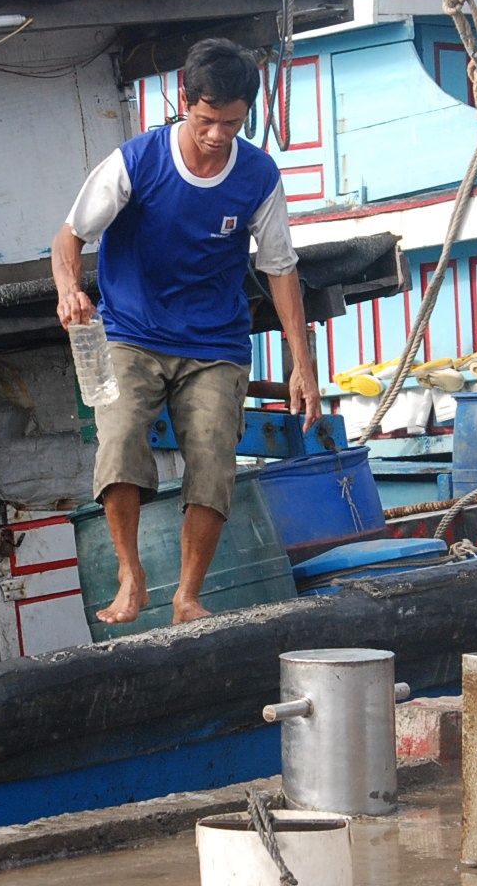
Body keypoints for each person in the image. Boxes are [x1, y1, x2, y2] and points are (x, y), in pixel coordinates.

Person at [51, 39, 320, 626]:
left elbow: (281, 269)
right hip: (130, 331)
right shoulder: (136, 161)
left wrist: (303, 364)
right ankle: (131, 574)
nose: (218, 135)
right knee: (120, 440)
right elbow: (68, 237)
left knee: (214, 459)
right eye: (206, 120)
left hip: (214, 343)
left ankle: (188, 595)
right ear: (183, 102)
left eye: (232, 122)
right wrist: (70, 289)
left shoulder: (257, 175)